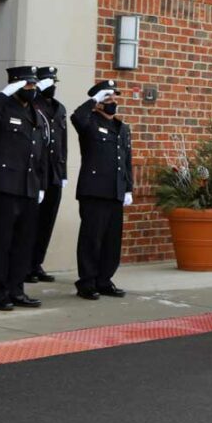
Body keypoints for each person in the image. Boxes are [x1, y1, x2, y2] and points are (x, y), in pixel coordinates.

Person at [0, 66, 50, 310]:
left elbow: (39, 153)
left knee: (23, 243)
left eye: (33, 85)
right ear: (16, 85)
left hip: (28, 187)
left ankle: (16, 290)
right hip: (4, 187)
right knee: (1, 243)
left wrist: (40, 183)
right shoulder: (2, 107)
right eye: (27, 85)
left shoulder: (36, 113)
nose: (32, 89)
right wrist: (4, 93)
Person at [71, 80, 133, 299]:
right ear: (98, 102)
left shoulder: (122, 127)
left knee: (111, 240)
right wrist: (93, 100)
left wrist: (128, 188)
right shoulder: (89, 122)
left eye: (114, 98)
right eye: (108, 98)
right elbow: (76, 117)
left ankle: (104, 279)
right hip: (94, 191)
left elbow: (127, 161)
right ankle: (87, 282)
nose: (113, 102)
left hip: (115, 191)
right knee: (91, 239)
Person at [27, 65, 67, 283]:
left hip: (54, 172)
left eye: (54, 83)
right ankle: (26, 265)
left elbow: (63, 143)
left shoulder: (59, 109)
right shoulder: (33, 106)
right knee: (31, 220)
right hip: (37, 172)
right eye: (48, 83)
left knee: (47, 220)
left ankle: (37, 263)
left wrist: (64, 172)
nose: (52, 87)